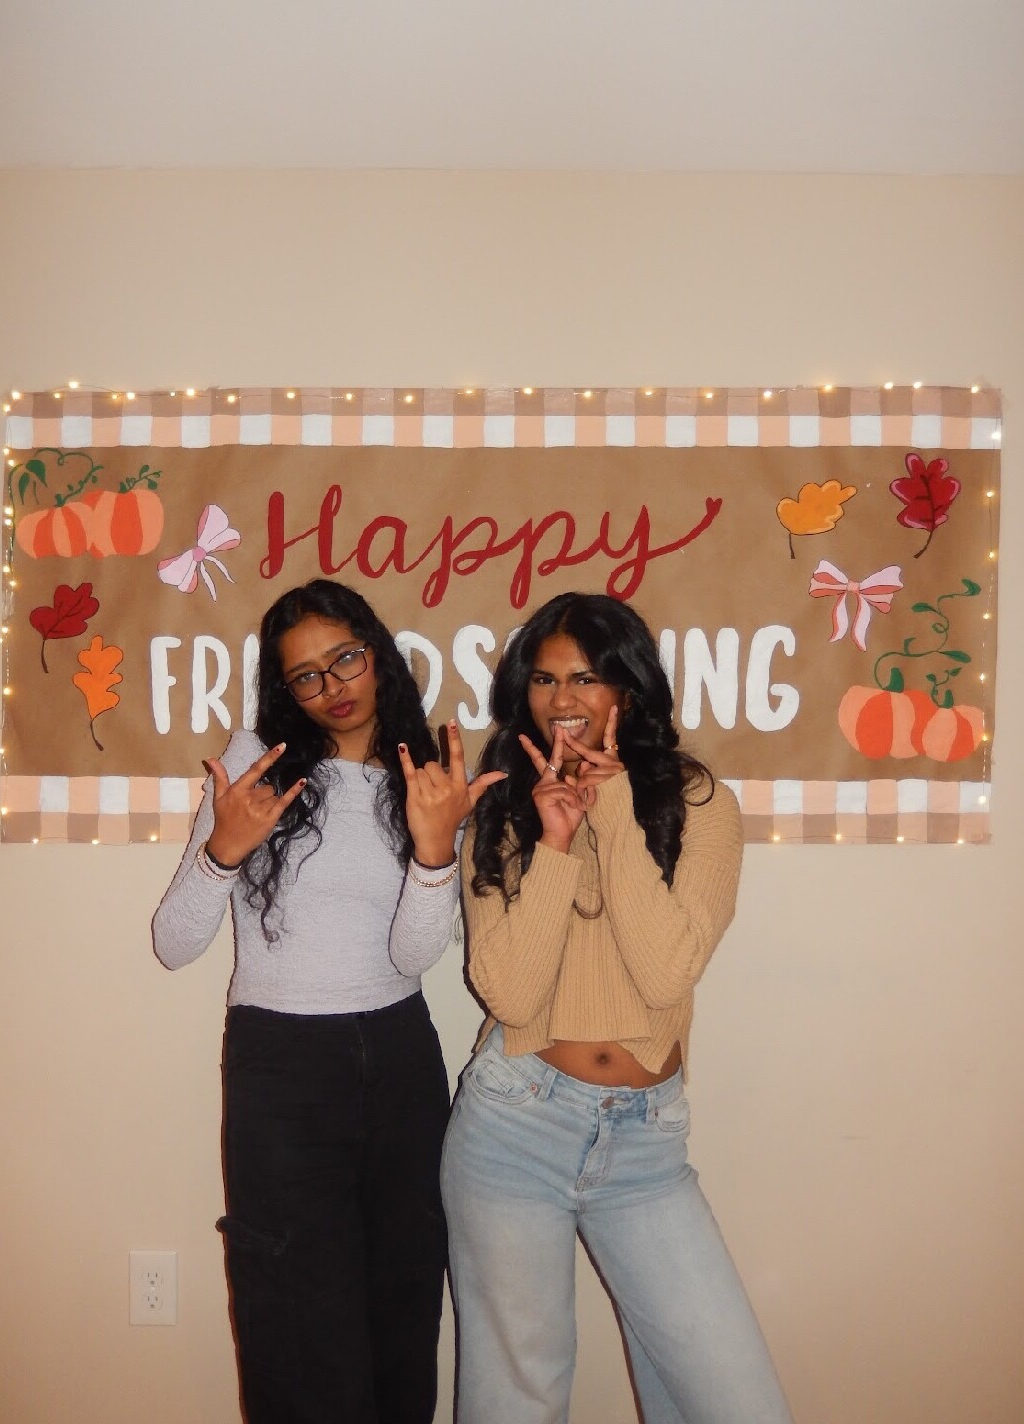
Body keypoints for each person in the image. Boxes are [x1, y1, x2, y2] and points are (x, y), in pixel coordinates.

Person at [152, 578, 502, 1424]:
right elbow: (172, 943)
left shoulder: (422, 778)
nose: (332, 686)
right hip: (282, 1063)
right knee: (295, 1308)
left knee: (404, 1296)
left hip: (400, 1056)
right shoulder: (256, 764)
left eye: (344, 659)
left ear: (376, 652)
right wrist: (222, 851)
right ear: (285, 689)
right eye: (305, 675)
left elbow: (412, 957)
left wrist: (434, 852)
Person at [441, 591, 793, 1424]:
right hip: (512, 1128)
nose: (562, 698)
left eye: (586, 677)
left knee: (738, 1402)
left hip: (644, 1145)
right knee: (517, 1397)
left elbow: (668, 973)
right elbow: (511, 994)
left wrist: (619, 817)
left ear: (626, 692)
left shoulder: (700, 804)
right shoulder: (498, 811)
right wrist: (557, 843)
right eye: (544, 679)